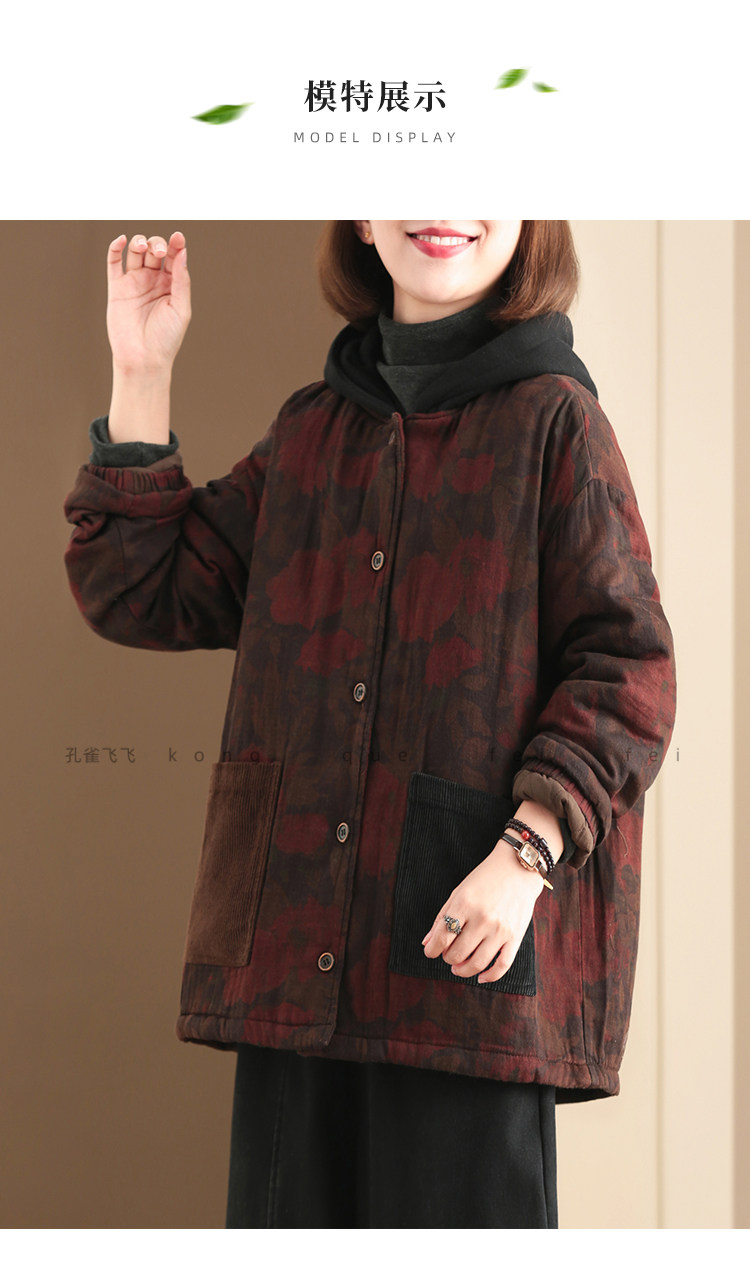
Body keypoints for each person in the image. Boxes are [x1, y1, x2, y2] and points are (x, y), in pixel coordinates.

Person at [63, 221, 677, 1228]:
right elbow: (145, 589)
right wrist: (142, 369)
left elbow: (630, 666)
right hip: (293, 977)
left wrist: (526, 853)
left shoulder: (557, 425)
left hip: (463, 981)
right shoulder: (311, 432)